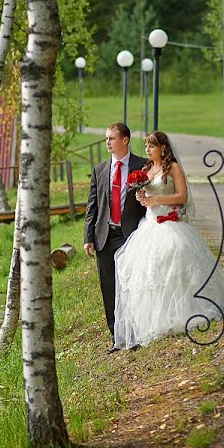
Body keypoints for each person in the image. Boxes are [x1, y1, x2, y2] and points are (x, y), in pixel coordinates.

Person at [113, 130, 224, 350]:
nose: (147, 150)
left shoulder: (172, 167)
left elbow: (182, 196)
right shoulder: (146, 169)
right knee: (148, 271)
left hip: (170, 224)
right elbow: (146, 196)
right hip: (149, 225)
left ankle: (185, 311)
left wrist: (157, 198)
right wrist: (142, 196)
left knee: (176, 262)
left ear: (163, 148)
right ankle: (157, 318)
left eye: (151, 146)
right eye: (146, 146)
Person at [83, 123, 147, 353]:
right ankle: (116, 337)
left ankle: (135, 334)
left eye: (111, 138)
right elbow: (92, 207)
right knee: (108, 287)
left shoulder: (141, 166)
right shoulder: (100, 169)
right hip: (104, 236)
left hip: (131, 235)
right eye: (106, 139)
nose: (108, 142)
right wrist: (87, 237)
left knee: (130, 286)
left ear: (125, 140)